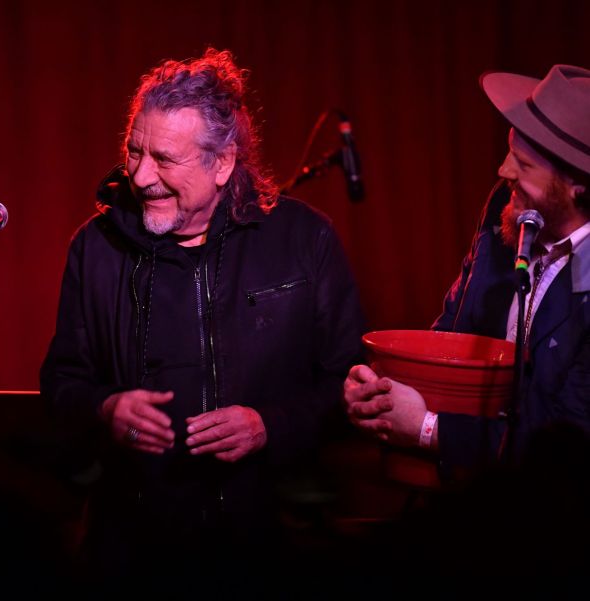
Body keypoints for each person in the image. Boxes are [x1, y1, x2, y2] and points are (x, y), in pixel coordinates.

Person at [40, 49, 363, 591]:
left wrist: (270, 426)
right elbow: (61, 383)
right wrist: (106, 407)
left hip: (266, 545)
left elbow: (348, 383)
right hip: (132, 551)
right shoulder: (94, 249)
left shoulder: (304, 240)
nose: (141, 176)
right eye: (134, 151)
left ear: (222, 162)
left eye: (164, 159)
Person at [345, 64, 590, 471]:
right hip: (462, 497)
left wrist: (426, 428)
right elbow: (453, 335)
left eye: (523, 165)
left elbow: (565, 442)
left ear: (576, 185)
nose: (503, 171)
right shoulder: (507, 211)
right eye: (509, 153)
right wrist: (384, 393)